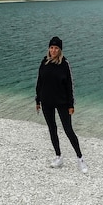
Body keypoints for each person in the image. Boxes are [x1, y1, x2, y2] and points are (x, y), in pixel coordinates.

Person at [35, 36, 88, 174]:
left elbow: (70, 86)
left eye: (56, 48)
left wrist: (71, 105)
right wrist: (37, 100)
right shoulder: (44, 62)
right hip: (46, 102)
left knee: (68, 130)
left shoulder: (64, 64)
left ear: (60, 50)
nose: (53, 50)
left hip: (62, 102)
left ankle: (80, 158)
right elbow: (39, 82)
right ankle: (58, 156)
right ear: (49, 49)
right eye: (51, 48)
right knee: (52, 129)